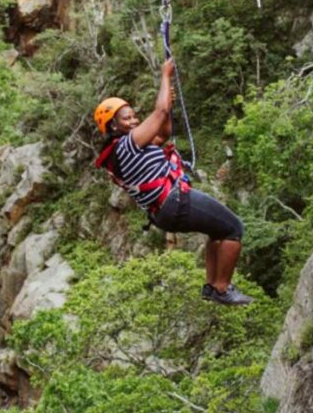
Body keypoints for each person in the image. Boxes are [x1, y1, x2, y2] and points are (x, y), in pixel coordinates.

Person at [93, 58, 253, 306]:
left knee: (217, 231)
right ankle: (223, 288)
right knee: (234, 228)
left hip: (164, 211)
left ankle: (212, 287)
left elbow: (163, 132)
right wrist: (165, 76)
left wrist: (168, 106)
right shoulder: (127, 145)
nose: (134, 121)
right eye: (126, 119)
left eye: (134, 117)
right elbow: (160, 112)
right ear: (113, 125)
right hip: (174, 201)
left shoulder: (123, 150)